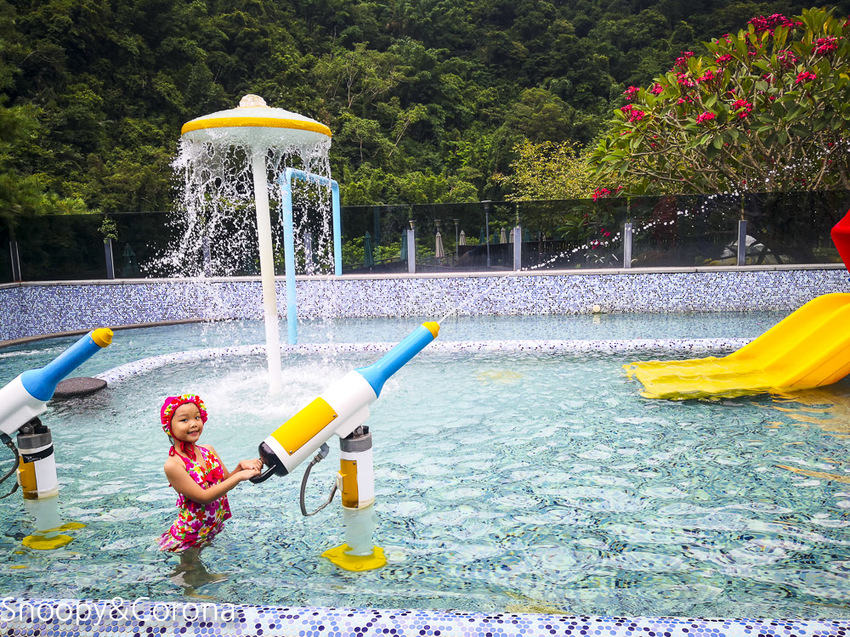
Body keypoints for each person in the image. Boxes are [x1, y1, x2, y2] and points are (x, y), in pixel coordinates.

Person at [158, 394, 261, 589]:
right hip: (191, 530)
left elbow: (223, 481)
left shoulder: (208, 450)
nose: (194, 424)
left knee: (198, 557)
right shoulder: (173, 464)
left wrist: (240, 467)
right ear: (168, 427)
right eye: (184, 420)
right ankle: (189, 592)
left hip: (210, 523)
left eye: (197, 417)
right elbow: (204, 497)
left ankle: (201, 577)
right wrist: (240, 477)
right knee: (188, 563)